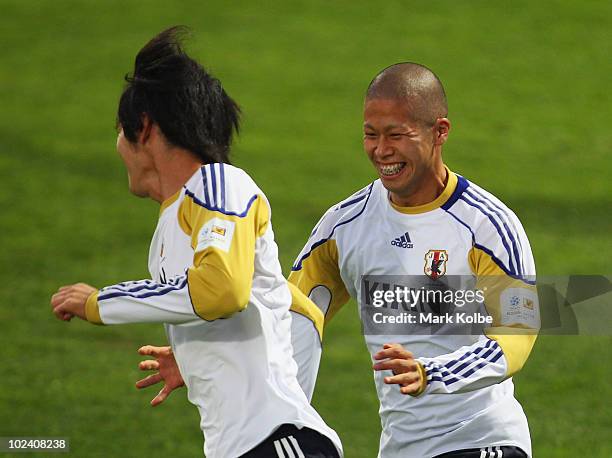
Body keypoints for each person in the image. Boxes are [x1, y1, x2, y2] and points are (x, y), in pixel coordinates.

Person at [133, 62, 540, 457]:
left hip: (483, 440)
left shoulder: (488, 226)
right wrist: (214, 358)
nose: (382, 150)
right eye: (370, 134)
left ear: (440, 132)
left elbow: (517, 335)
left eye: (396, 135)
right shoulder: (345, 227)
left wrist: (432, 373)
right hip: (401, 447)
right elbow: (286, 316)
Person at [50, 26, 341, 458]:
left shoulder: (219, 185)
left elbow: (222, 290)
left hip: (277, 442)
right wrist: (202, 359)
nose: (117, 146)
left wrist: (100, 302)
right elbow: (288, 306)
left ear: (143, 128)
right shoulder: (170, 227)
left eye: (119, 130)